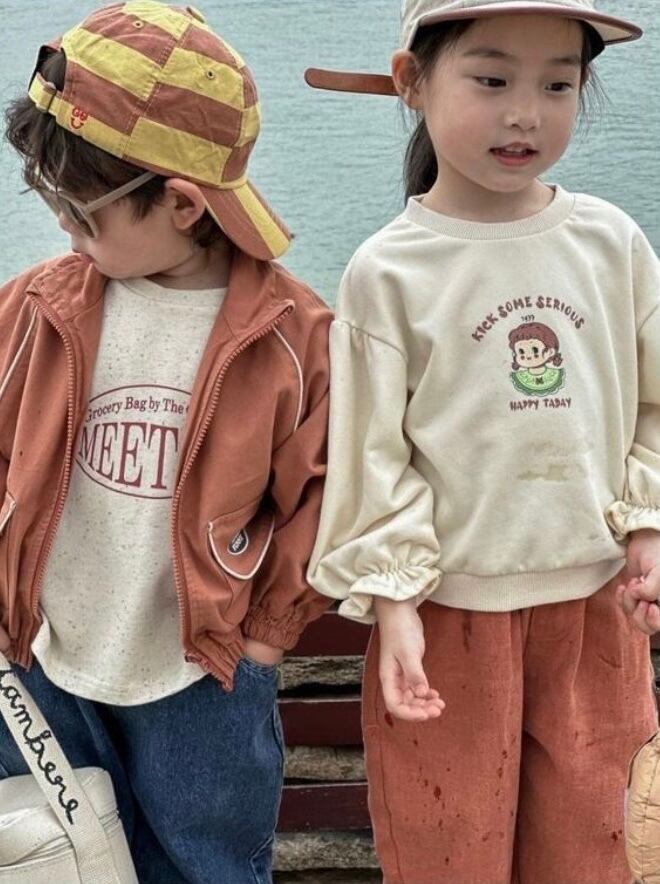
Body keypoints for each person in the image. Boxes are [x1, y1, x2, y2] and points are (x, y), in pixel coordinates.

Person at [306, 0, 660, 881]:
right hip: (446, 624)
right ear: (412, 82)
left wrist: (648, 525)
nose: (525, 114)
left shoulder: (612, 245)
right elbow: (372, 455)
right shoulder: (389, 270)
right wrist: (394, 605)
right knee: (446, 854)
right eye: (492, 79)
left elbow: (651, 406)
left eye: (558, 86)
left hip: (596, 614)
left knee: (598, 853)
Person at [0, 2, 332, 882]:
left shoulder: (292, 335)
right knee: (57, 869)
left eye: (79, 211)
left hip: (201, 682)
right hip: (46, 663)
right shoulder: (34, 309)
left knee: (206, 870)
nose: (62, 228)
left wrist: (264, 638)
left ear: (182, 203)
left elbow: (323, 493)